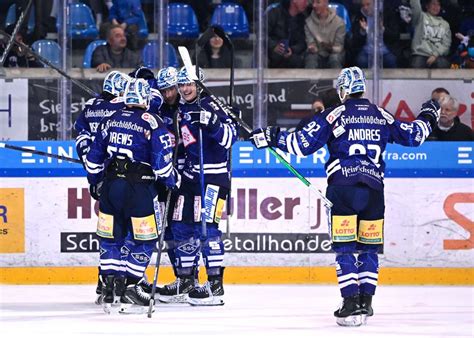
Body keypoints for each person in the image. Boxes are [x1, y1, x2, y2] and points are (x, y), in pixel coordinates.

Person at [249, 66, 440, 326]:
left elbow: (300, 144)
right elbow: (414, 136)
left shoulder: (335, 114)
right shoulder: (380, 114)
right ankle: (366, 303)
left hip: (344, 189)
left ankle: (350, 302)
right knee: (369, 249)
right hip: (374, 191)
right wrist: (429, 114)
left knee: (345, 249)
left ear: (343, 90)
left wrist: (271, 136)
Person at [84, 77, 180, 314]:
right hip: (139, 189)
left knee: (111, 238)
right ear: (146, 97)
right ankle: (130, 286)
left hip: (110, 188)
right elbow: (160, 165)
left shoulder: (110, 119)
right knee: (145, 239)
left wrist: (95, 183)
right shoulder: (152, 122)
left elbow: (93, 159)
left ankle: (108, 287)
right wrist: (171, 180)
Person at [157, 66, 238, 306]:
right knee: (181, 225)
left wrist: (212, 122)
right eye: (181, 85)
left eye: (189, 84)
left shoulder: (213, 105)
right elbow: (182, 144)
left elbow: (229, 138)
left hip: (213, 177)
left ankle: (215, 285)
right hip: (190, 177)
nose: (185, 89)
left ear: (200, 84)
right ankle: (186, 279)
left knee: (207, 229)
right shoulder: (182, 110)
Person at [74, 70, 129, 304]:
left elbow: (81, 138)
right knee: (125, 231)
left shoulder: (89, 107)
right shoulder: (122, 108)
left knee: (108, 232)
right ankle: (120, 282)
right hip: (120, 177)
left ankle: (103, 283)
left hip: (98, 178)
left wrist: (89, 161)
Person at [351, 0, 398, 68]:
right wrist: (363, 31)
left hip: (385, 51)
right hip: (366, 52)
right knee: (361, 61)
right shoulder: (359, 17)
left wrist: (383, 29)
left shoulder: (387, 13)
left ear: (376, 4)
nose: (365, 8)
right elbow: (355, 42)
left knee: (391, 60)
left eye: (368, 4)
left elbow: (395, 36)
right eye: (363, 5)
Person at [410, 0, 452, 68]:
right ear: (427, 6)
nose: (436, 7)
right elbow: (415, 6)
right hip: (420, 54)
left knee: (443, 64)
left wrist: (435, 55)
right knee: (416, 64)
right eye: (433, 4)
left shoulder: (445, 24)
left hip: (437, 56)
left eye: (438, 5)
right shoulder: (420, 17)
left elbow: (446, 45)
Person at [267, 0, 309, 68]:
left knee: (298, 60)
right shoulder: (274, 13)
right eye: (304, 0)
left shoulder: (303, 19)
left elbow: (303, 42)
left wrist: (292, 50)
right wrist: (274, 46)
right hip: (271, 54)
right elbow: (262, 35)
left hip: (292, 57)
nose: (306, 4)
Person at [304, 0, 345, 69]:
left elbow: (339, 47)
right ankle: (310, 80)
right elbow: (310, 42)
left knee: (335, 59)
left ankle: (337, 79)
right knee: (311, 59)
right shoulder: (308, 22)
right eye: (313, 2)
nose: (314, 5)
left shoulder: (339, 23)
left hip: (334, 53)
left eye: (318, 2)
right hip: (317, 54)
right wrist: (312, 47)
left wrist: (328, 47)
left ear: (326, 3)